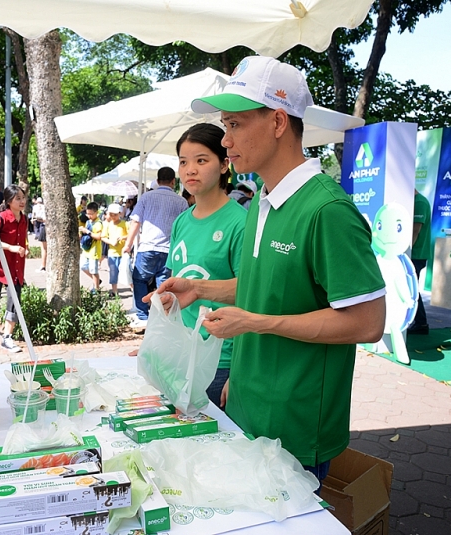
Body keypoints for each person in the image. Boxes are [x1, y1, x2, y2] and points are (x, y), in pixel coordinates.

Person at [154, 56, 386, 486]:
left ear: (279, 122)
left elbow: (367, 321)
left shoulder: (327, 210)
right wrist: (200, 289)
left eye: (236, 125)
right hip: (246, 405)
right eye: (225, 126)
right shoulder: (262, 199)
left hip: (295, 426)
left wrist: (256, 323)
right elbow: (265, 287)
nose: (225, 141)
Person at [168, 123, 247, 409]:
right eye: (183, 162)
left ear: (225, 164)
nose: (190, 170)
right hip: (183, 355)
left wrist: (238, 372)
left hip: (221, 360)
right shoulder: (181, 221)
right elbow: (176, 285)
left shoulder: (240, 223)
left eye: (202, 160)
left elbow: (251, 294)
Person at [121, 167, 188, 327]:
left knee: (140, 280)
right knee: (163, 284)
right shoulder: (182, 201)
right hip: (169, 250)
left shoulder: (146, 197)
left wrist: (128, 244)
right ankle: (163, 317)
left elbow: (135, 221)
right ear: (174, 181)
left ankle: (143, 316)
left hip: (147, 248)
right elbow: (185, 227)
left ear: (158, 181)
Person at [0, 184, 29, 353]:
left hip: (16, 269)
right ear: (9, 201)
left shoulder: (24, 219)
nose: (22, 201)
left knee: (14, 302)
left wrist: (24, 248)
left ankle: (7, 337)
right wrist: (10, 247)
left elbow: (23, 239)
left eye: (23, 198)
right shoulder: (1, 218)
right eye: (18, 198)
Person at [408, 190, 432, 335]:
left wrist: (406, 252)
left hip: (416, 254)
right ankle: (419, 322)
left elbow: (415, 230)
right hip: (414, 253)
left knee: (411, 289)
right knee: (411, 288)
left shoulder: (420, 203)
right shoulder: (416, 201)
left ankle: (421, 322)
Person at [101, 203, 128, 297]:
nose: (113, 217)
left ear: (120, 214)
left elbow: (130, 235)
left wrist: (123, 238)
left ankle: (132, 288)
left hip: (123, 253)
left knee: (126, 271)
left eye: (115, 215)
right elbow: (103, 237)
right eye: (111, 214)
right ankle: (114, 291)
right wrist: (111, 242)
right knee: (113, 272)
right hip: (112, 253)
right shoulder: (107, 225)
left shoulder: (124, 223)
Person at [79, 201, 103, 292]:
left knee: (94, 271)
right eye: (87, 213)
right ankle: (97, 281)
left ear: (96, 212)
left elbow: (99, 237)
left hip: (94, 251)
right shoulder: (88, 221)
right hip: (86, 250)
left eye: (91, 214)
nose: (89, 216)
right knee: (83, 267)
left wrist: (87, 232)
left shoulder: (98, 223)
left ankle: (96, 289)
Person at [31, 196, 47, 272]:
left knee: (44, 248)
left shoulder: (36, 207)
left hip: (44, 225)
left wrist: (35, 219)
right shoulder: (45, 206)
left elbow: (43, 219)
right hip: (47, 226)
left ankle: (43, 266)